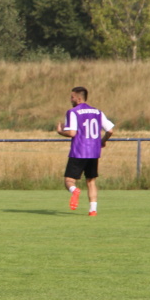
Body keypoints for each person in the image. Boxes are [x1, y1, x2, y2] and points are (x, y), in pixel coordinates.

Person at [56, 86, 115, 216]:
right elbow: (110, 130)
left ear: (78, 98)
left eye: (72, 97)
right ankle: (93, 210)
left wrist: (60, 132)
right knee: (91, 181)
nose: (70, 99)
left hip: (79, 151)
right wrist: (102, 141)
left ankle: (74, 191)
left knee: (69, 181)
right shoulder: (98, 112)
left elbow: (72, 133)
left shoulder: (73, 112)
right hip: (94, 152)